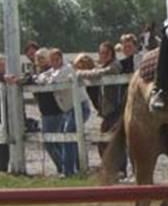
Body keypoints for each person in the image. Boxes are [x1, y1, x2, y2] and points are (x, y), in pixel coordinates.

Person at [36, 48, 91, 177]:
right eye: (52, 60)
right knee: (68, 137)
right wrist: (43, 79)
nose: (54, 62)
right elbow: (40, 78)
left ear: (61, 58)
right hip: (68, 109)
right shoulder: (53, 71)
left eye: (56, 59)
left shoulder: (67, 68)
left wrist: (45, 79)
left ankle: (69, 171)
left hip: (80, 107)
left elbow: (53, 80)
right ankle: (75, 169)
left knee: (69, 135)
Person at [75, 42, 122, 163]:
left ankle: (118, 170)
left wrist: (80, 73)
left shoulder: (115, 65)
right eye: (101, 53)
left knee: (113, 141)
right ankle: (111, 168)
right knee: (105, 141)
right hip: (107, 110)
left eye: (106, 53)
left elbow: (101, 73)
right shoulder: (103, 66)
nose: (103, 55)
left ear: (112, 53)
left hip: (116, 108)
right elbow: (97, 70)